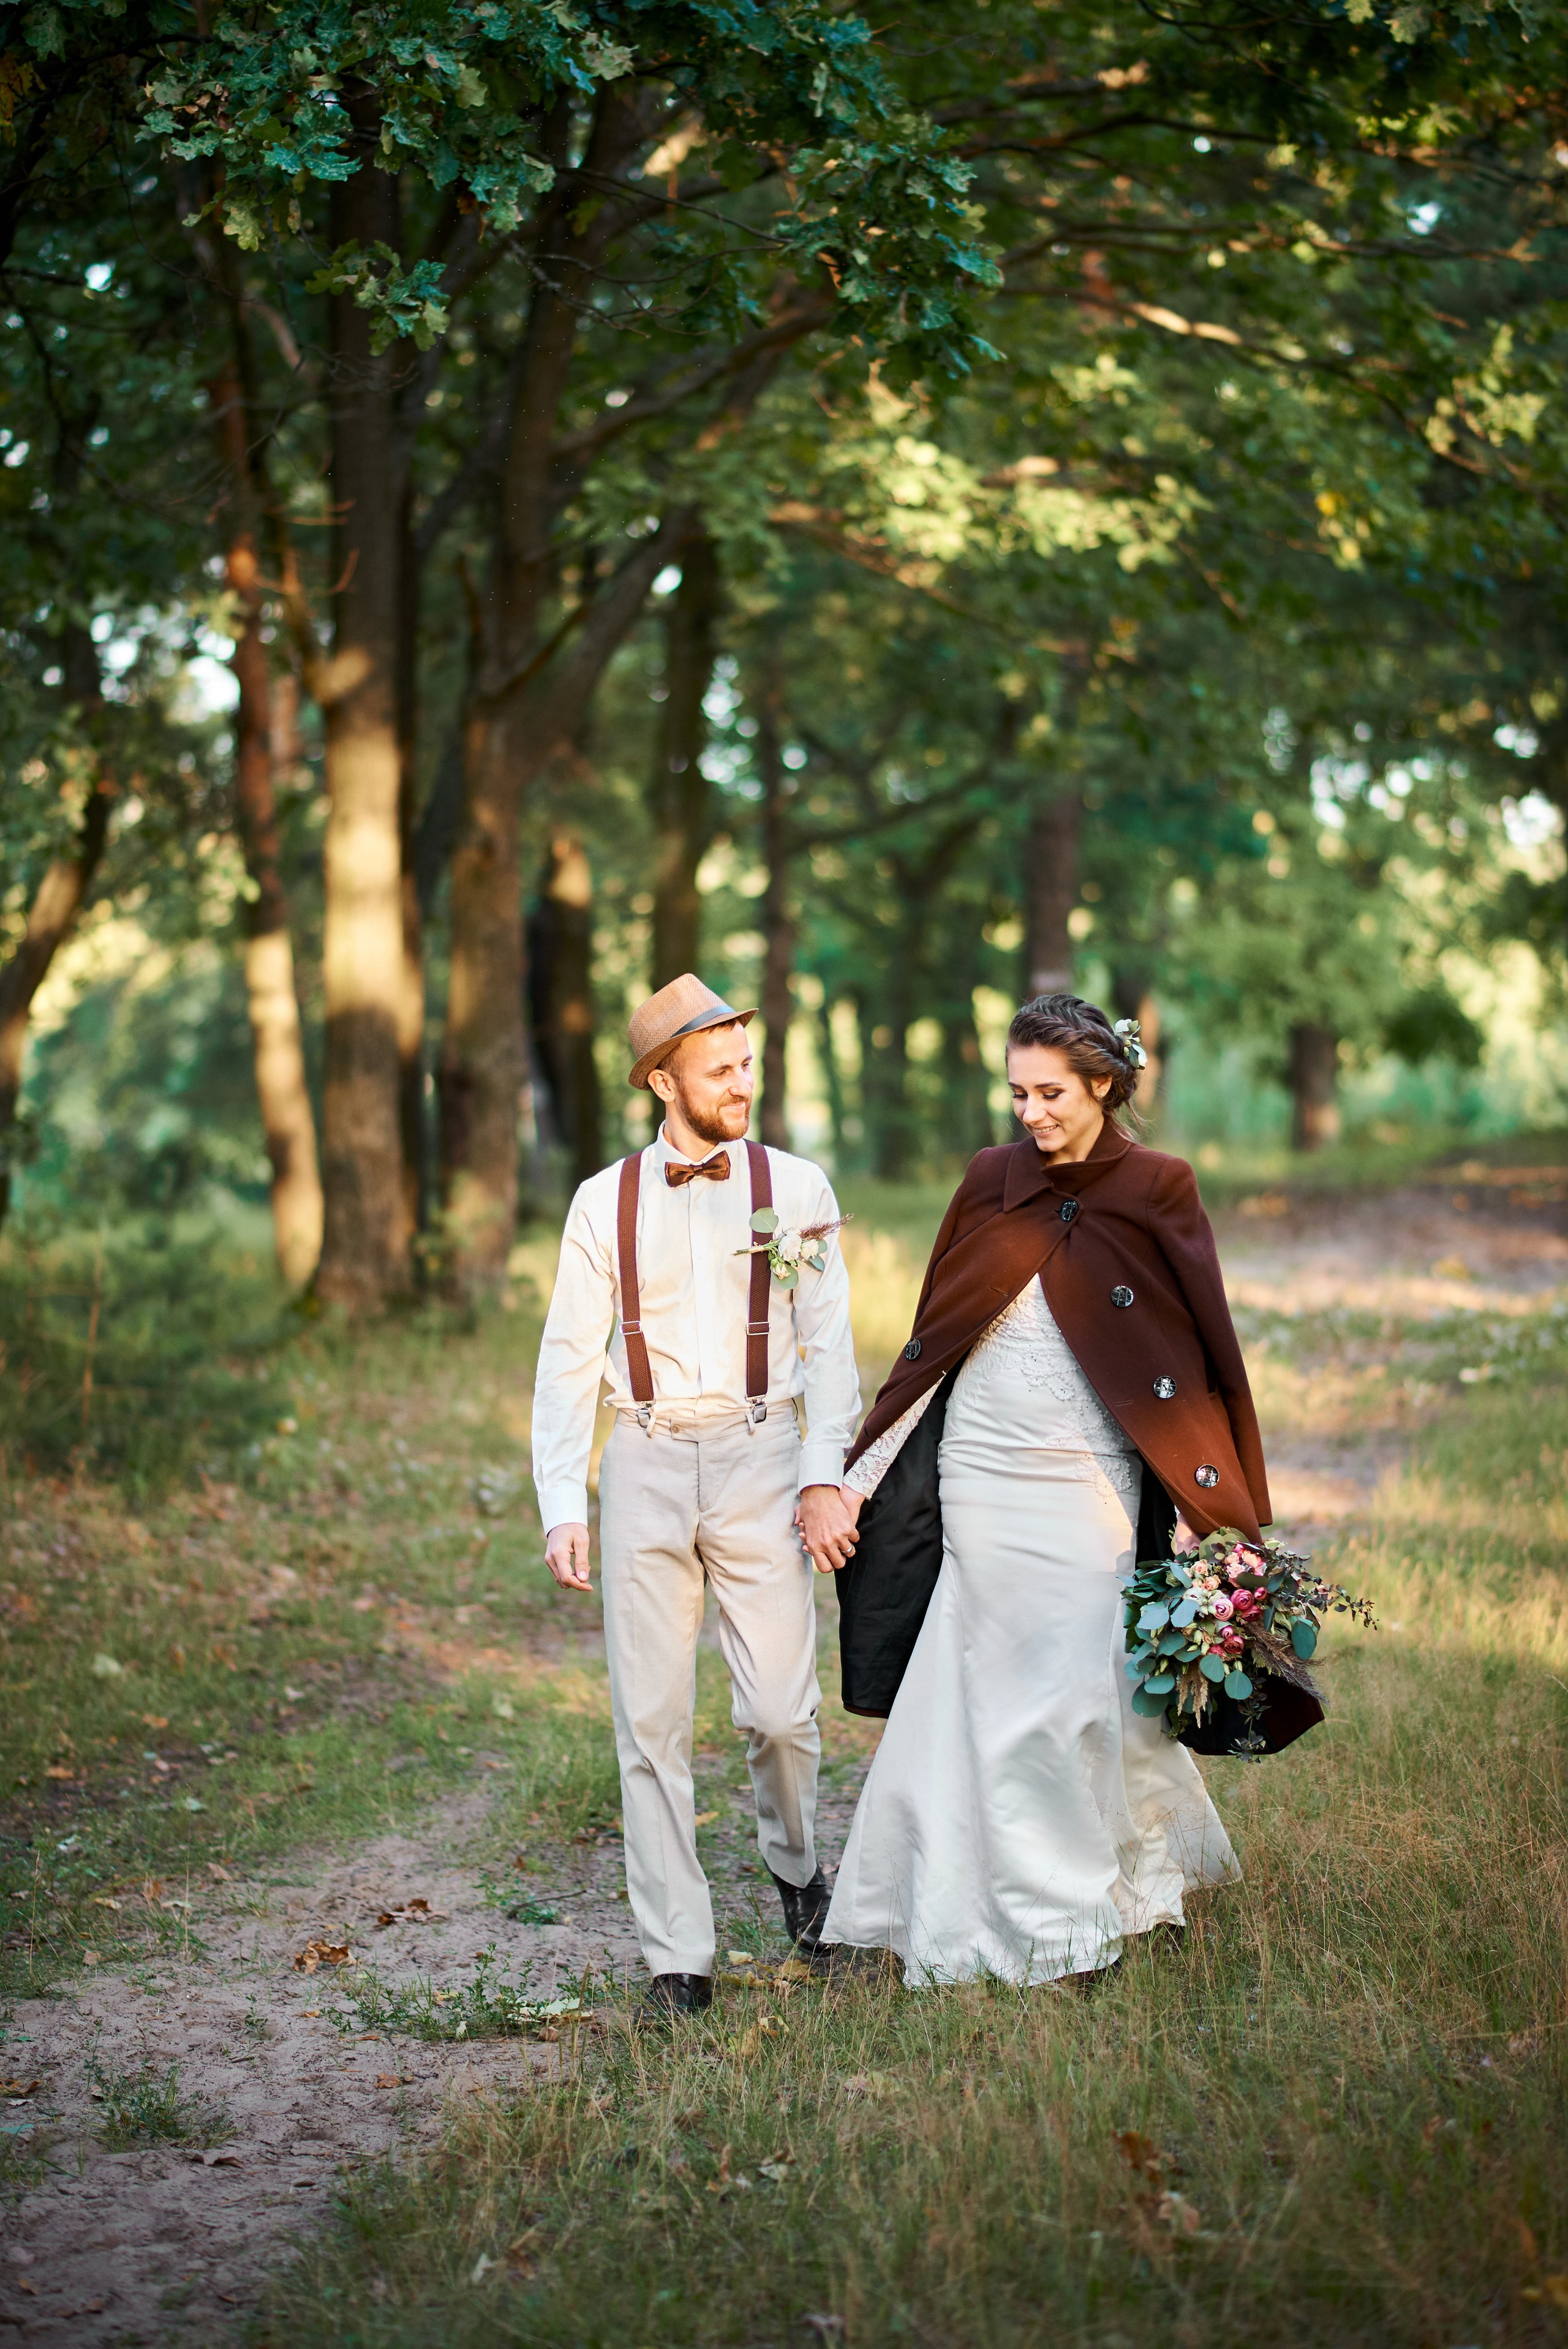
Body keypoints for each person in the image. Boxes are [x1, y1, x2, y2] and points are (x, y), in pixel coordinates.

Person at [820, 993, 1271, 1988]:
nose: (1030, 1112)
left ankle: (1080, 1899)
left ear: (1103, 1084)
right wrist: (856, 1478)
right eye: (1017, 1091)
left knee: (1076, 1686)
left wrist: (1212, 1505)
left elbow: (1200, 1343)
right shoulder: (991, 1179)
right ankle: (1010, 1910)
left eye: (1051, 1092)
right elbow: (935, 1334)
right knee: (985, 1678)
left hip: (1088, 1474)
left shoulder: (1160, 1185)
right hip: (979, 1462)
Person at [532, 974, 862, 2019]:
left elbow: (832, 1352)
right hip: (644, 1457)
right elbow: (567, 1360)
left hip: (764, 1453)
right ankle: (678, 1955)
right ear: (662, 1081)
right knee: (651, 1719)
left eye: (746, 1063)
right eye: (720, 1069)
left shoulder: (797, 1188)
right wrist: (563, 1500)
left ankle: (800, 1873)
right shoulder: (602, 1201)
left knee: (779, 1712)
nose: (741, 1083)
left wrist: (823, 1473)